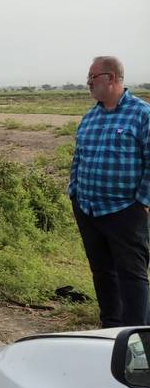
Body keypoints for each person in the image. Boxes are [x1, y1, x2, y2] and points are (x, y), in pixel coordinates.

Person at [69, 56, 150, 327]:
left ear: (112, 78)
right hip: (88, 210)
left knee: (132, 276)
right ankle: (110, 331)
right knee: (102, 273)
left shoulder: (142, 114)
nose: (88, 83)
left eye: (93, 77)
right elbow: (78, 158)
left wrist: (142, 202)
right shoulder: (90, 117)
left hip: (125, 211)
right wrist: (74, 193)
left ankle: (137, 336)